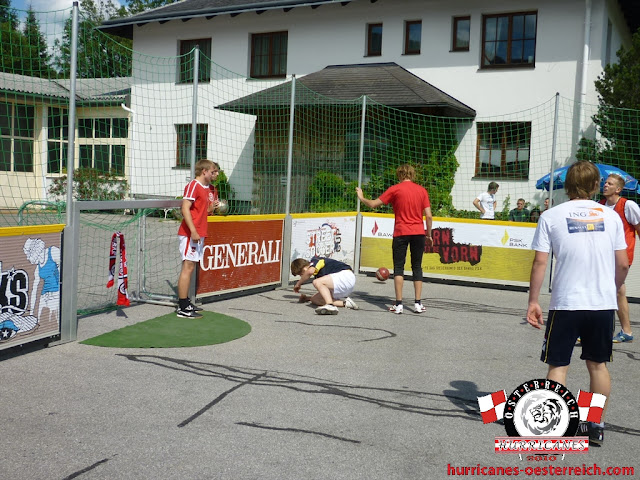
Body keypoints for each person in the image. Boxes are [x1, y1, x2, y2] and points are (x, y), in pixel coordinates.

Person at [527, 161, 629, 446]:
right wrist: (613, 286)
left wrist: (533, 300)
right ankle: (593, 424)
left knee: (559, 366)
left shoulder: (550, 216)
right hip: (601, 303)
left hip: (566, 302)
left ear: (567, 185)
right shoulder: (611, 218)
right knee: (597, 365)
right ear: (596, 185)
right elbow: (622, 263)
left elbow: (540, 262)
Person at [356, 164, 433, 314]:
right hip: (418, 232)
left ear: (399, 175)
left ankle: (399, 304)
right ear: (412, 175)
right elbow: (429, 216)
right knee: (417, 267)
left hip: (401, 232)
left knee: (399, 268)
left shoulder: (395, 189)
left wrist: (361, 197)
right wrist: (428, 235)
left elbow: (373, 204)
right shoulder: (422, 190)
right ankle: (418, 304)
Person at [176, 159, 219, 318]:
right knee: (188, 266)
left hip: (200, 232)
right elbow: (185, 208)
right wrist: (193, 231)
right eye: (213, 171)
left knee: (192, 266)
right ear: (204, 171)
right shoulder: (194, 185)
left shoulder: (209, 189)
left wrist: (210, 209)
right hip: (190, 233)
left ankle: (185, 301)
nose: (216, 174)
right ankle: (182, 307)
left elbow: (202, 212)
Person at [600, 173, 639, 343]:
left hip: (621, 255)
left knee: (612, 289)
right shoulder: (599, 205)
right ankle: (625, 331)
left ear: (618, 189)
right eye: (604, 182)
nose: (605, 185)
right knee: (616, 290)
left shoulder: (628, 205)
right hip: (603, 255)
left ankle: (601, 331)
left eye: (609, 183)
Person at [291, 257, 358, 314]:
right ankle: (346, 303)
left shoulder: (315, 261)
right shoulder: (317, 274)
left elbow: (310, 272)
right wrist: (307, 298)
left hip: (346, 276)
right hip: (342, 286)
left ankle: (330, 305)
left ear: (304, 267)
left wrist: (298, 283)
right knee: (315, 299)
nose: (301, 276)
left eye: (300, 273)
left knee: (317, 282)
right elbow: (324, 290)